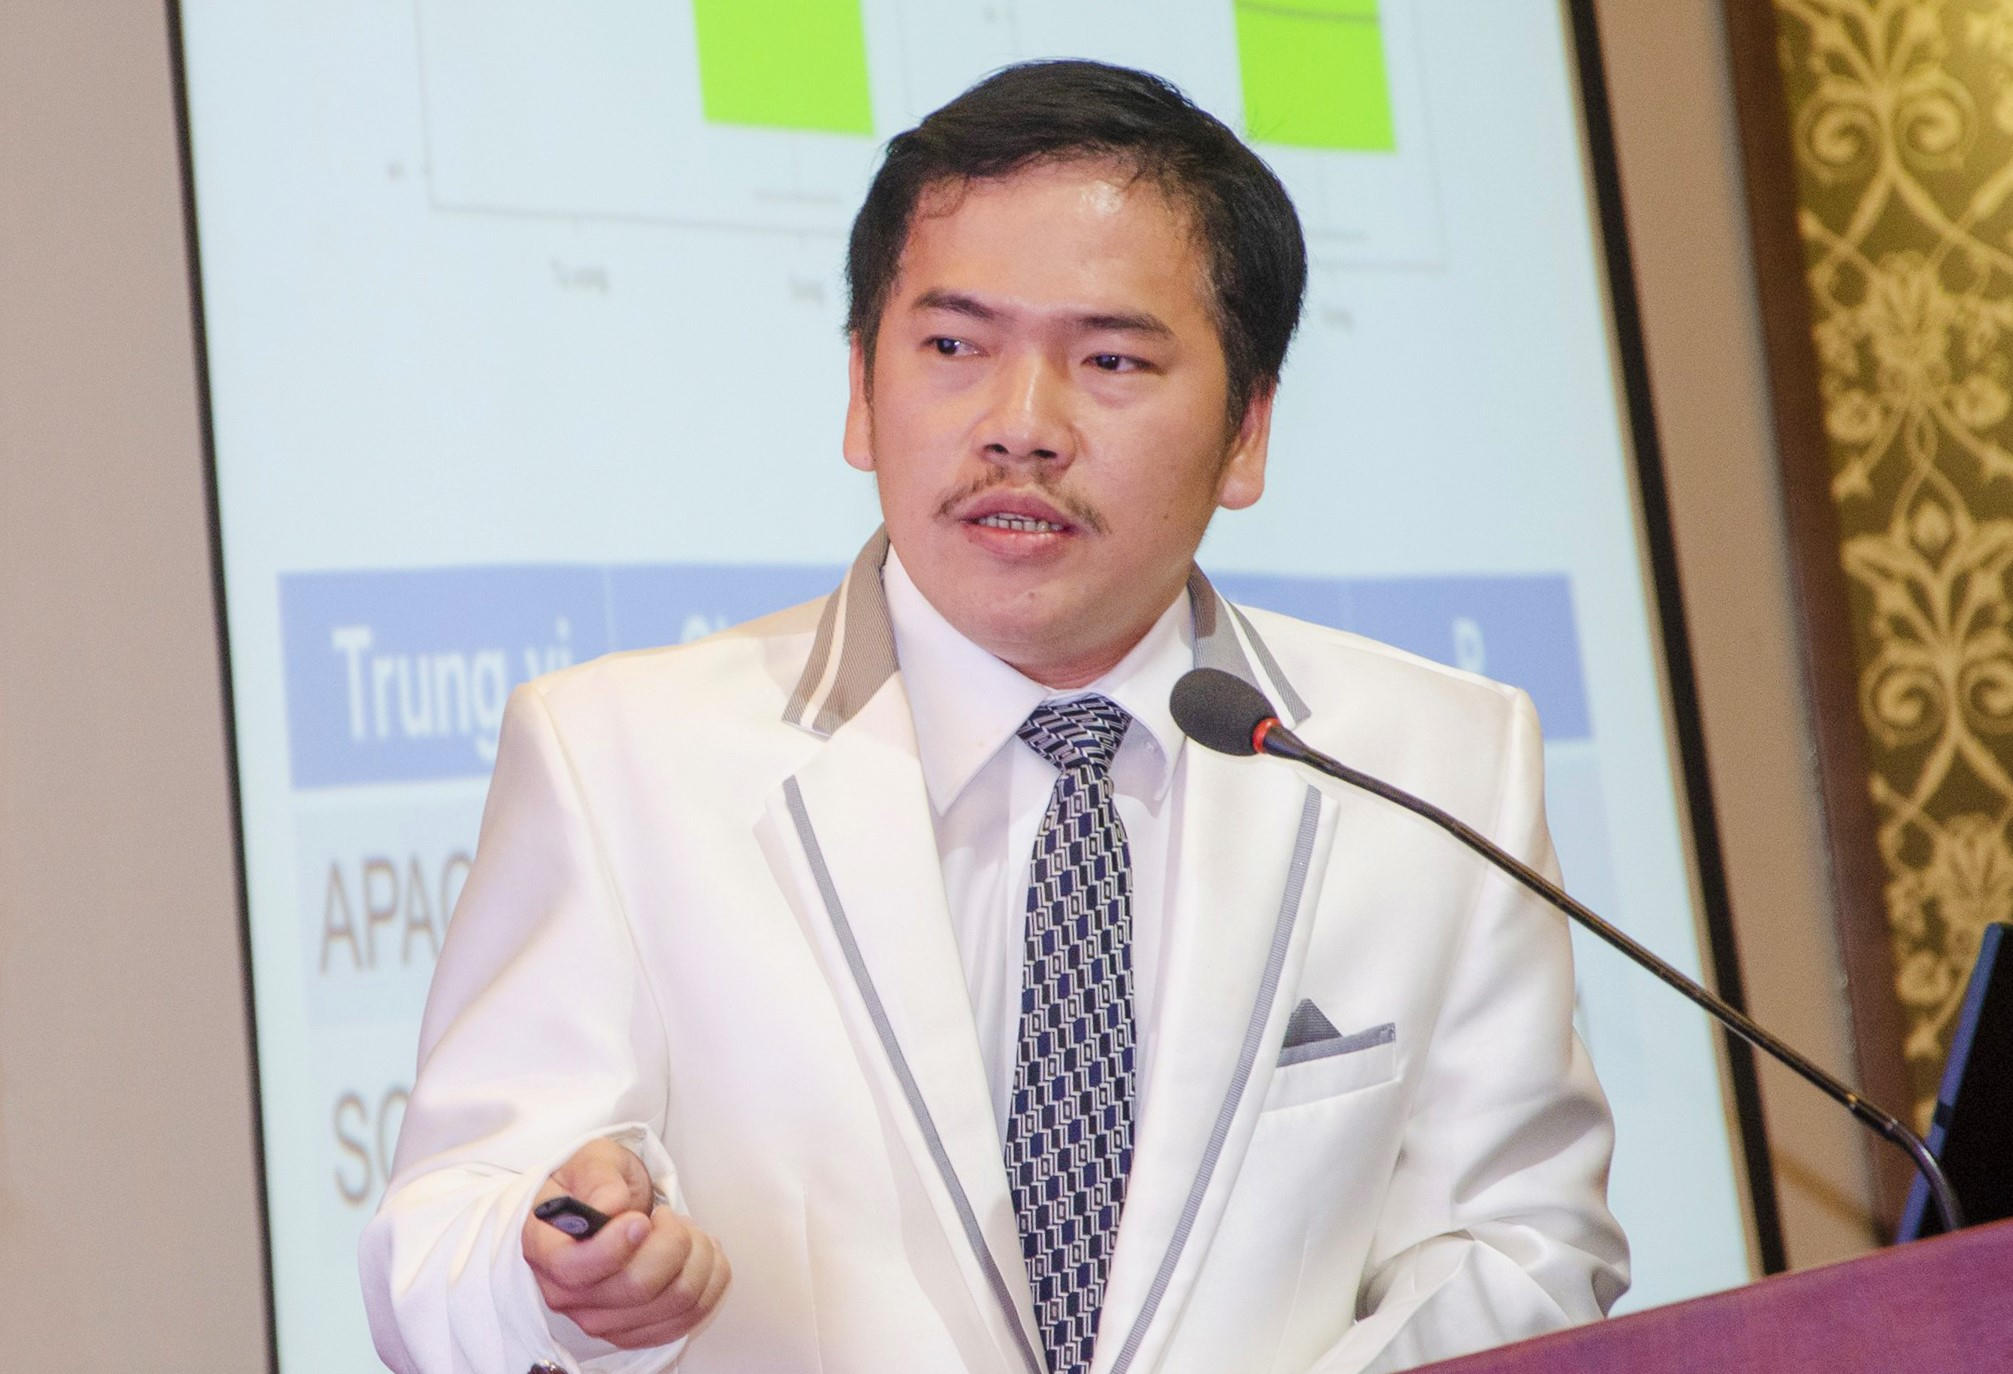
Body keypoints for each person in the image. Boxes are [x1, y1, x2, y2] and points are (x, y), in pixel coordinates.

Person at [360, 59, 1628, 1374]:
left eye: (1111, 359)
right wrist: (556, 1277)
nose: (1021, 428)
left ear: (1247, 430)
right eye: (954, 347)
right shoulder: (618, 760)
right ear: (862, 391)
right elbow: (440, 1241)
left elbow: (1522, 1250)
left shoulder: (1438, 765)